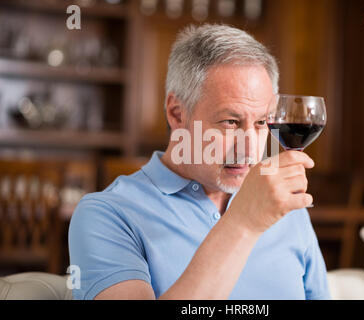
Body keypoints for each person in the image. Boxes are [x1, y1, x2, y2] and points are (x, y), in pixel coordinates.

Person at [69, 24, 331, 300]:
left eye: (262, 122)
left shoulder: (286, 208)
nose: (251, 148)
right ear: (177, 114)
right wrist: (243, 222)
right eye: (230, 122)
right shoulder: (106, 214)